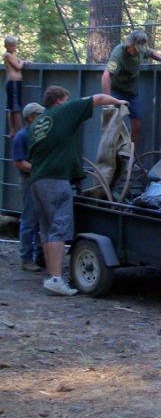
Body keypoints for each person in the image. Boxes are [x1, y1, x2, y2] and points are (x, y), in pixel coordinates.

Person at [29, 85, 129, 296]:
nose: (68, 101)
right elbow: (99, 97)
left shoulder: (38, 123)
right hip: (56, 180)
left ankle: (51, 275)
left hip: (38, 180)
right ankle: (57, 278)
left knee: (47, 229)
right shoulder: (64, 111)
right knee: (59, 226)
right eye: (66, 98)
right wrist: (118, 103)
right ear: (58, 100)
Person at [101, 30, 161, 149]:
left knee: (137, 126)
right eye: (135, 49)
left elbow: (150, 52)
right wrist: (108, 101)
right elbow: (105, 76)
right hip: (117, 92)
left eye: (139, 50)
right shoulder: (118, 54)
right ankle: (110, 157)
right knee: (113, 126)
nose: (137, 52)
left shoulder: (141, 50)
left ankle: (131, 156)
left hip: (132, 93)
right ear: (129, 45)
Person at [12, 102, 45, 271]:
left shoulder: (39, 135)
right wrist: (39, 168)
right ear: (31, 117)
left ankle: (40, 256)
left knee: (42, 220)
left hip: (41, 180)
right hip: (29, 181)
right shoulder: (22, 137)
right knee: (30, 220)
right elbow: (18, 163)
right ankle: (26, 258)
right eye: (40, 114)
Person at [3, 35, 31, 138]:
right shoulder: (7, 55)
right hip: (13, 83)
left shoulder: (12, 55)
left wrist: (25, 61)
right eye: (12, 46)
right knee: (15, 108)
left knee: (12, 107)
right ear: (6, 46)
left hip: (16, 83)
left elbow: (19, 61)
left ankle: (12, 130)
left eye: (15, 46)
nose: (14, 48)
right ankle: (20, 130)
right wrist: (23, 62)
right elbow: (18, 66)